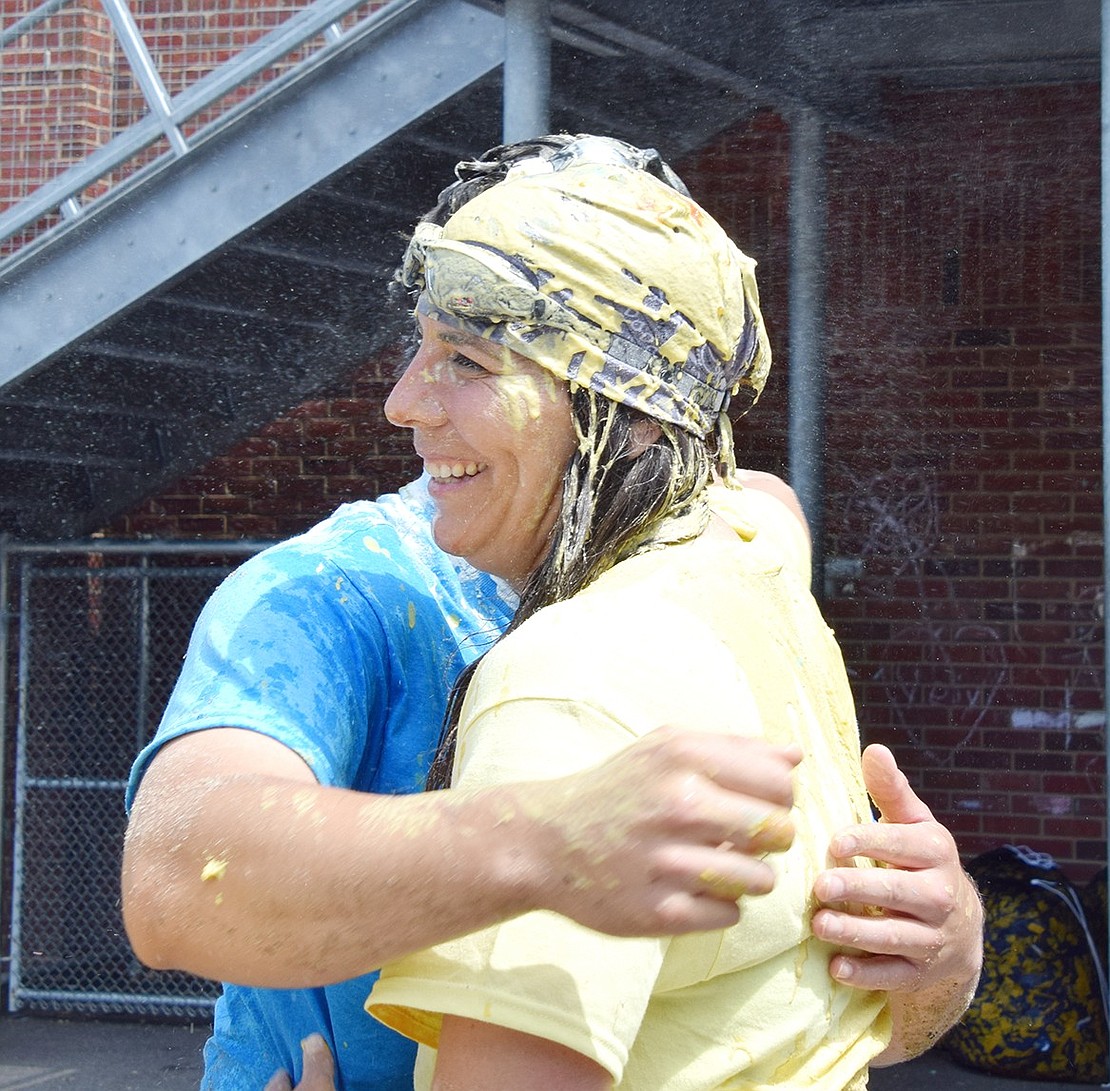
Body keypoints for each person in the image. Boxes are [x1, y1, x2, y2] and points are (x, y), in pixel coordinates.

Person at [120, 136, 982, 1091]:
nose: (402, 401)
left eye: (469, 359)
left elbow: (784, 1021)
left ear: (643, 411)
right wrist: (540, 842)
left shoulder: (722, 574)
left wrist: (941, 951)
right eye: (421, 345)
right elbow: (172, 877)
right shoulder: (331, 597)